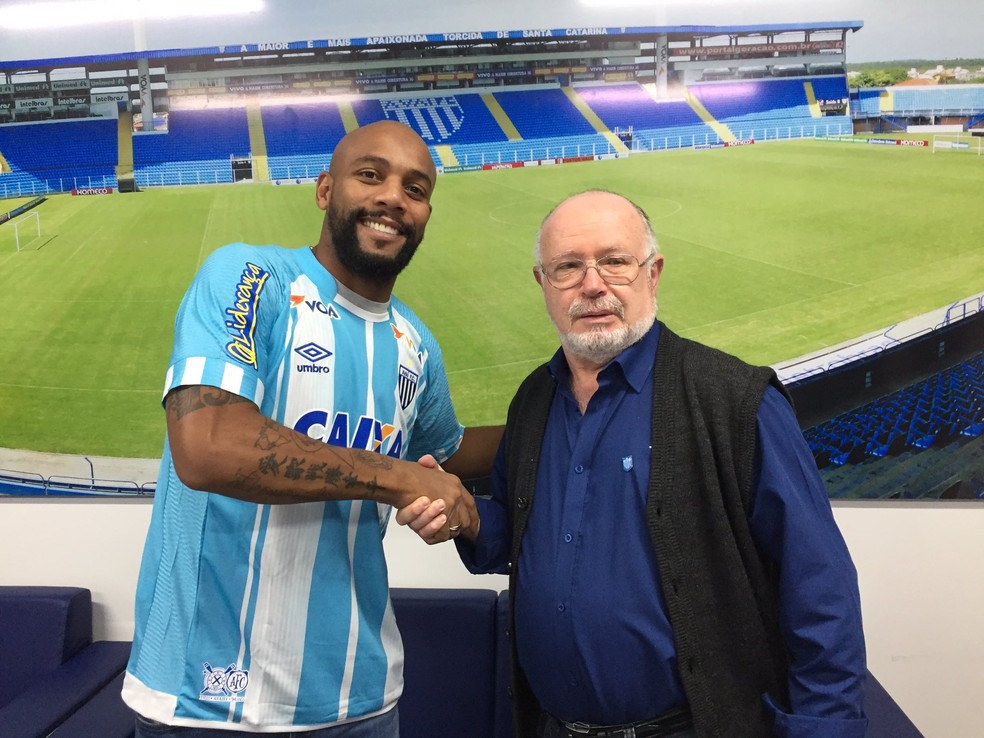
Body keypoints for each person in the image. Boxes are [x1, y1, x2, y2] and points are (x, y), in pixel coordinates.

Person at [399, 190, 868, 738]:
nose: (593, 284)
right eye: (568, 267)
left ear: (653, 273)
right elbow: (516, 538)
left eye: (615, 262)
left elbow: (820, 589)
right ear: (542, 284)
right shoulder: (533, 401)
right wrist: (467, 515)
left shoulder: (735, 401)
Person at [122, 120, 500, 736]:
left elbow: (450, 455)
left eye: (416, 188)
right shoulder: (250, 278)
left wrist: (567, 411)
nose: (392, 198)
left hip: (362, 700)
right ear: (326, 190)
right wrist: (397, 477)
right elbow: (208, 446)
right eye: (370, 175)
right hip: (207, 703)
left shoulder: (415, 344)